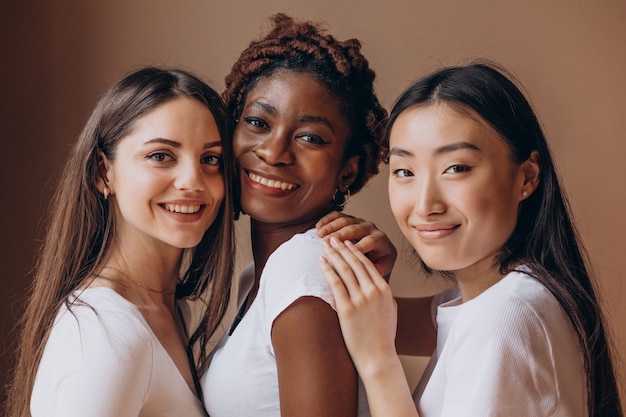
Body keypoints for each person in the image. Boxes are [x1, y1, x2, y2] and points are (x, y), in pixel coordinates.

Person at [320, 62, 623, 417]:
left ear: (526, 176)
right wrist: (370, 279)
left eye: (456, 168)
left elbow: (382, 335)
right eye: (405, 171)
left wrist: (378, 362)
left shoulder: (505, 314)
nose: (425, 205)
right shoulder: (510, 297)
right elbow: (396, 322)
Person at [5, 67, 235, 417]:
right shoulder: (105, 333)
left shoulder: (170, 312)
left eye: (210, 159)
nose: (193, 180)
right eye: (161, 156)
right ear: (103, 172)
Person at [200, 13, 388, 417]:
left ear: (347, 170)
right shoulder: (258, 275)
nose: (273, 151)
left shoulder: (301, 268)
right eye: (257, 122)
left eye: (310, 137)